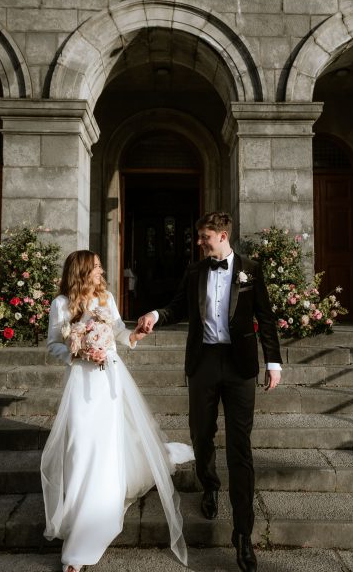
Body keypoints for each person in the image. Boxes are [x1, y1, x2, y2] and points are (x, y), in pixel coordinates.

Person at [138, 212, 282, 572]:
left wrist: (274, 362)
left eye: (204, 237)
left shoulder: (251, 269)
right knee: (201, 434)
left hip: (240, 367)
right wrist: (156, 315)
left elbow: (265, 317)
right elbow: (176, 307)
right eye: (199, 237)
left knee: (240, 447)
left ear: (221, 235)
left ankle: (243, 535)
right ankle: (210, 484)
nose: (199, 243)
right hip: (203, 363)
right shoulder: (195, 271)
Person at [41, 250, 193, 572]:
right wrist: (78, 352)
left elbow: (119, 334)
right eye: (95, 267)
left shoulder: (107, 297)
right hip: (82, 383)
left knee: (105, 448)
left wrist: (135, 335)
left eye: (99, 266)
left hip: (109, 380)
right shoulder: (61, 304)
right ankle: (78, 510)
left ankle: (88, 533)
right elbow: (54, 343)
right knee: (80, 447)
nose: (101, 270)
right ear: (81, 271)